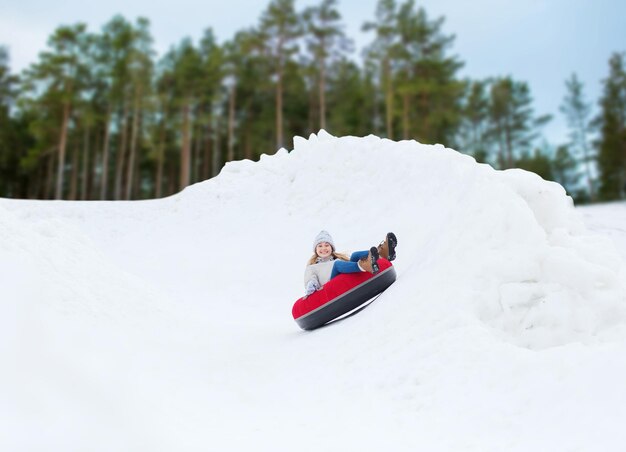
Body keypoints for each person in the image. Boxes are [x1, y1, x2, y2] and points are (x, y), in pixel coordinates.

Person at [303, 230, 397, 298]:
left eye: (327, 245)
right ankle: (364, 265)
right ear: (315, 250)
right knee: (337, 265)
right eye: (320, 246)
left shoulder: (338, 259)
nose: (323, 248)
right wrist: (312, 284)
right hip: (330, 285)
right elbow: (311, 279)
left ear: (332, 248)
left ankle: (383, 253)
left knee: (354, 255)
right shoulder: (312, 267)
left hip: (342, 277)